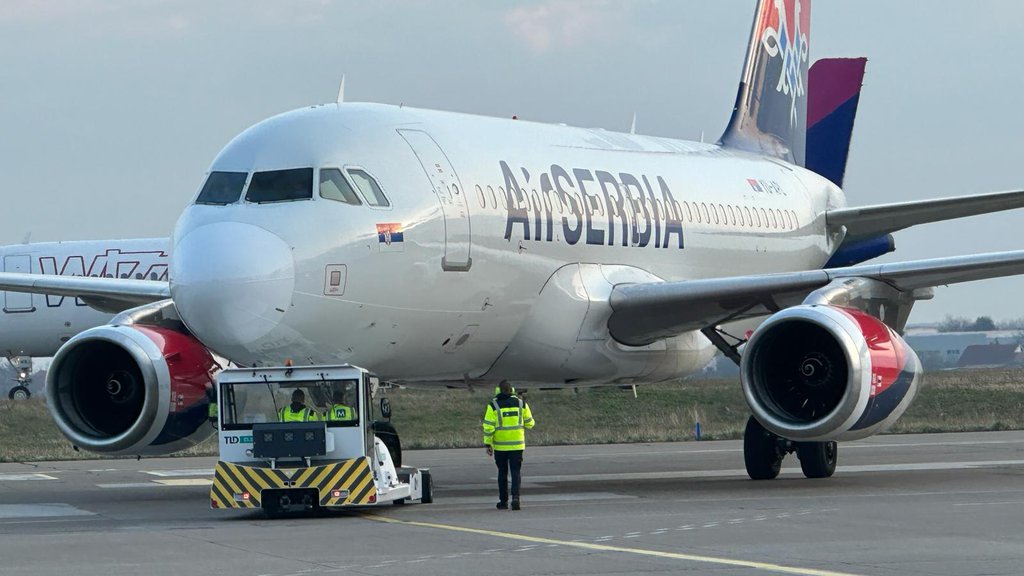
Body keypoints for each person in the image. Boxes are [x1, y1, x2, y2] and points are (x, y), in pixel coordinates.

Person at [482, 380, 535, 510]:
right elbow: (530, 424)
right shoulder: (521, 404)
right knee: (516, 472)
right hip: (517, 446)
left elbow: (488, 427)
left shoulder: (493, 405)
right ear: (512, 390)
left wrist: (488, 444)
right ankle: (516, 498)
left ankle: (503, 501)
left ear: (498, 390)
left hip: (500, 446)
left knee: (502, 473)